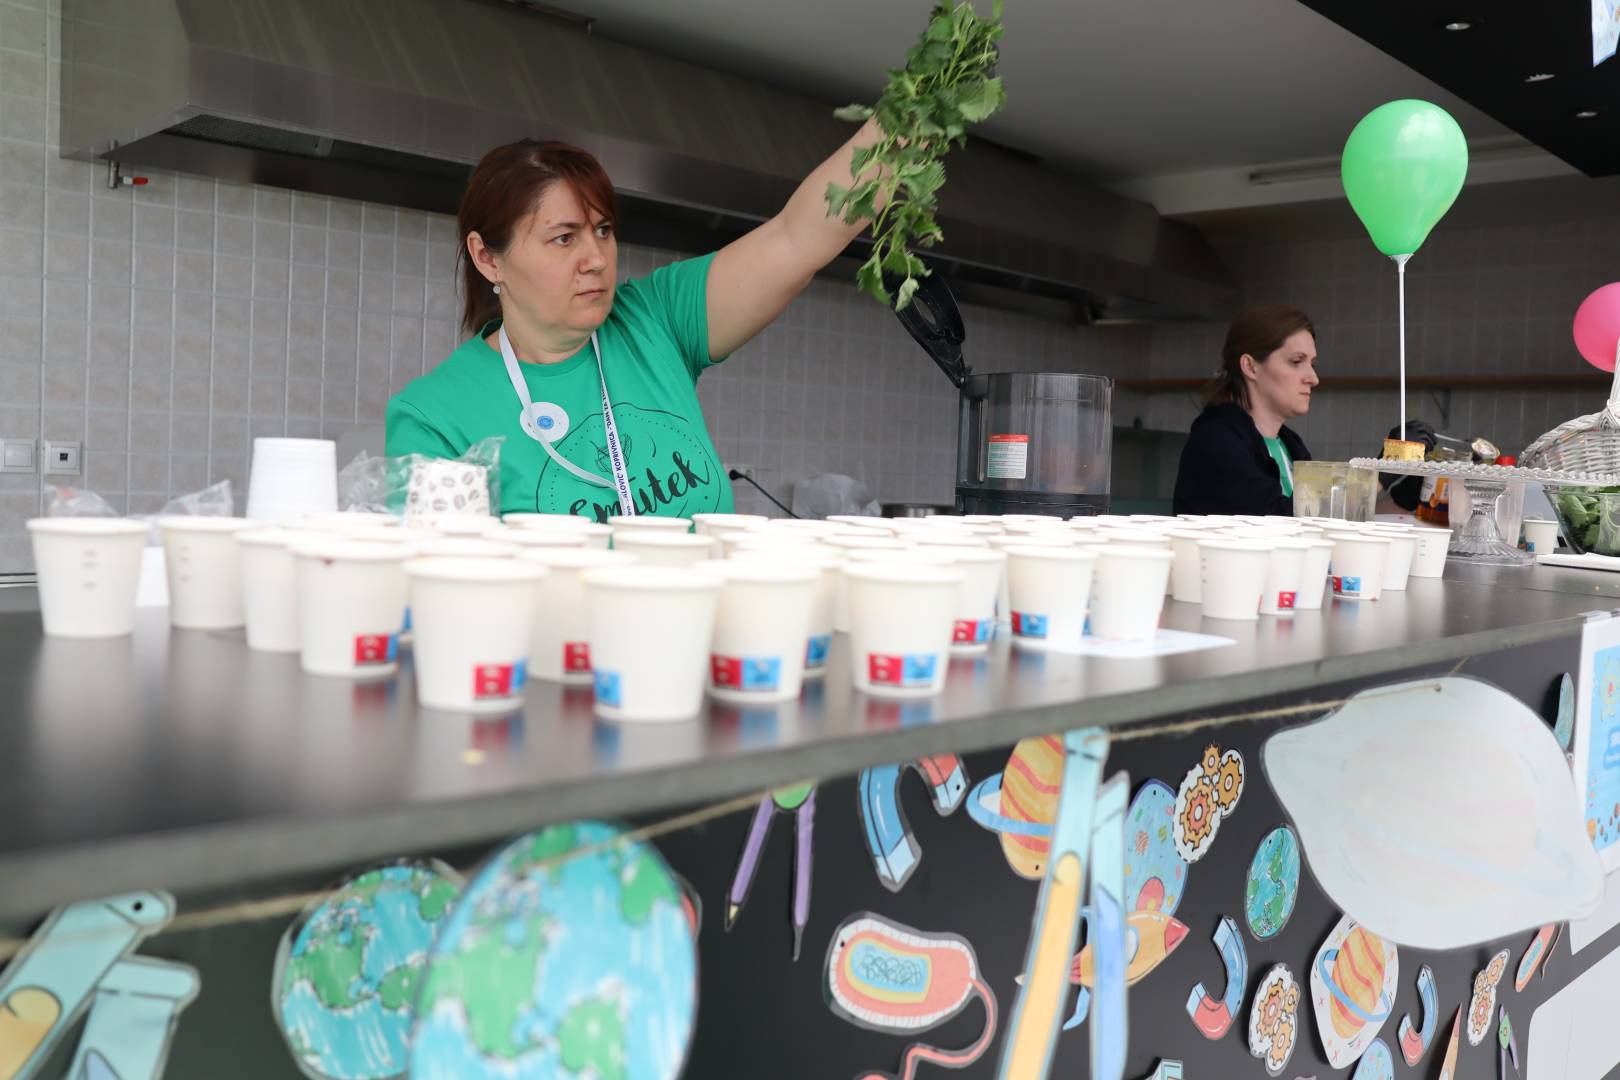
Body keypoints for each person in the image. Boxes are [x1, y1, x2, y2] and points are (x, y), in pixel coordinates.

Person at [386, 124, 888, 521]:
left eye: (603, 230)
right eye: (564, 238)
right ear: (488, 258)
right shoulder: (435, 418)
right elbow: (444, 591)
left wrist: (909, 119)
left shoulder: (656, 319)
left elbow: (798, 237)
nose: (596, 259)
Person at [1172, 305, 1318, 516]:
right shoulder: (1216, 441)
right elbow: (1267, 520)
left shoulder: (1292, 445)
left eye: (1312, 364)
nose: (1313, 378)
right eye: (1296, 361)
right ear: (1250, 367)